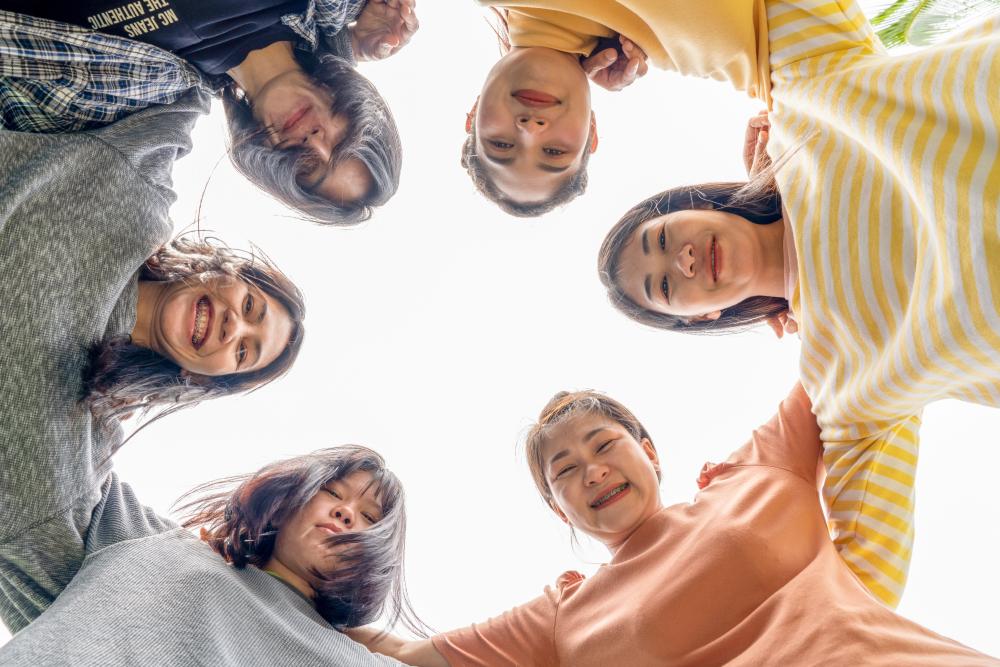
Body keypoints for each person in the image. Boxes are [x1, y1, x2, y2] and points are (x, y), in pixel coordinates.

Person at [597, 4, 1000, 608]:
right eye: (663, 288)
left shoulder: (806, 105)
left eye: (661, 239)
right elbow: (863, 587)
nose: (677, 261)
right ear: (701, 316)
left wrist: (606, 37)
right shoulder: (843, 383)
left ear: (692, 204)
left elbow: (758, 15)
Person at [348, 386, 999, 666]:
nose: (593, 471)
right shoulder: (563, 615)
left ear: (649, 450)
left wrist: (768, 202)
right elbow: (403, 656)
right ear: (558, 508)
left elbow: (835, 346)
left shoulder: (752, 476)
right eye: (566, 471)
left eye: (604, 444)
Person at [0, 87, 304, 435]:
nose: (234, 327)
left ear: (202, 378)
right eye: (250, 305)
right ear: (226, 271)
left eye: (242, 352)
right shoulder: (137, 200)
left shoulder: (80, 436)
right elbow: (190, 79)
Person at [0, 437, 418, 664]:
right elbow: (56, 446)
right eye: (332, 492)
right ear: (292, 494)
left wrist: (401, 650)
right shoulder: (147, 539)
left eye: (368, 517)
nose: (346, 513)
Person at [0, 0, 418, 224]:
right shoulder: (319, 7)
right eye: (341, 142)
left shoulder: (142, 94)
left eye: (311, 169)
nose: (316, 144)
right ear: (352, 106)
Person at [463, 1, 767, 216]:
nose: (530, 130)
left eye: (501, 144)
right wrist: (767, 191)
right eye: (554, 152)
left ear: (474, 114)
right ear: (591, 132)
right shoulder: (706, 49)